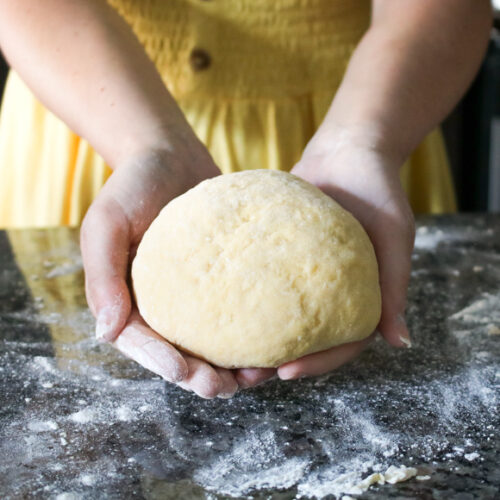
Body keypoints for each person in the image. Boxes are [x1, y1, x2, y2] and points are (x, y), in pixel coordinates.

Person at [0, 0, 491, 398]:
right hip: (96, 97)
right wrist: (147, 146)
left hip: (370, 103)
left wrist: (362, 141)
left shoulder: (357, 151)